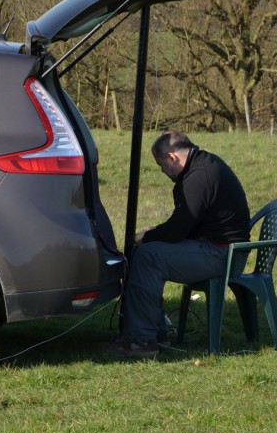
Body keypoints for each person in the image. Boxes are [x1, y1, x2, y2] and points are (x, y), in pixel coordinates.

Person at [103, 130, 251, 358]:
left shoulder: (197, 177)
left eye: (162, 165)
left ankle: (141, 341)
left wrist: (146, 237)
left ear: (172, 157)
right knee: (147, 250)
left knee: (148, 256)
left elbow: (177, 230)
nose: (162, 171)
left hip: (221, 255)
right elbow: (185, 224)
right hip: (221, 248)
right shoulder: (204, 165)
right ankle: (155, 333)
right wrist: (152, 234)